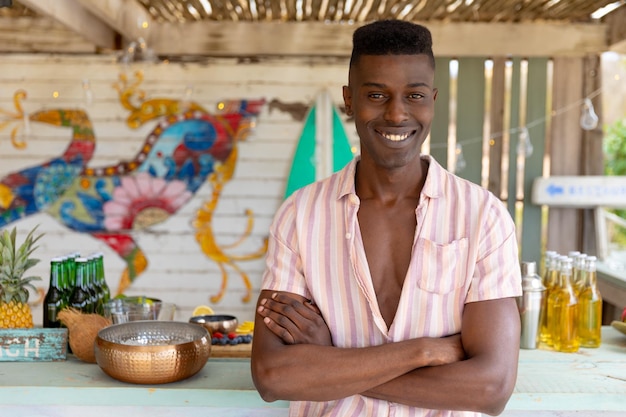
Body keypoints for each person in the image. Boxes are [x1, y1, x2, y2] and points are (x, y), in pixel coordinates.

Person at [251, 19, 522, 417]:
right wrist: (425, 351)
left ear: (432, 99)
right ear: (349, 99)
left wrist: (332, 363)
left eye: (413, 96)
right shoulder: (299, 215)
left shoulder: (482, 216)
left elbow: (490, 387)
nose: (396, 115)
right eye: (376, 94)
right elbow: (273, 375)